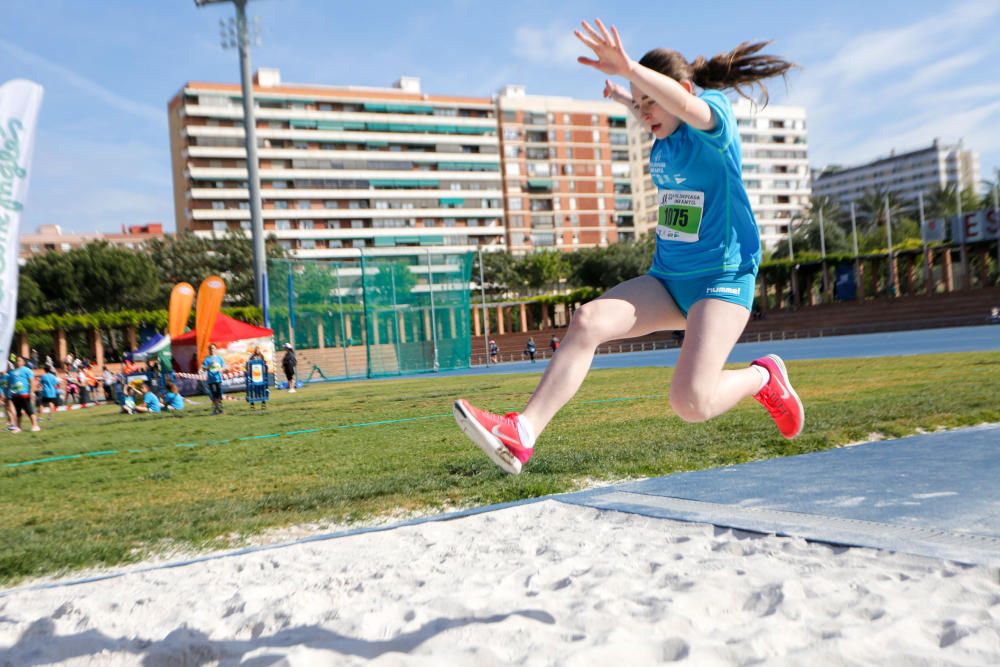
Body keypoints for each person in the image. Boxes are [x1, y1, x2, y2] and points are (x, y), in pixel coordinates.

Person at [453, 19, 804, 475]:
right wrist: (626, 96)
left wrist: (630, 71)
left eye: (650, 102)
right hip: (667, 281)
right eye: (640, 107)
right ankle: (523, 433)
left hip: (720, 281)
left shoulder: (714, 118)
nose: (646, 113)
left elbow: (684, 105)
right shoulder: (663, 143)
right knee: (587, 321)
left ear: (680, 90)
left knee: (691, 401)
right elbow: (659, 109)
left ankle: (765, 376)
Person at [8, 356, 41, 433]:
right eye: (17, 360)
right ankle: (18, 427)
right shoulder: (12, 372)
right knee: (18, 412)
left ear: (23, 362)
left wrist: (31, 392)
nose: (17, 362)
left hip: (25, 394)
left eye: (19, 360)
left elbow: (32, 382)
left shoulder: (27, 370)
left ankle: (35, 426)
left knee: (29, 410)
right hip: (15, 395)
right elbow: (9, 383)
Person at [202, 343, 226, 415]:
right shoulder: (207, 359)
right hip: (211, 380)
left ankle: (220, 409)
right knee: (213, 395)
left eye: (213, 348)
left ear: (216, 349)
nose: (212, 350)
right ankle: (215, 409)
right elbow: (203, 369)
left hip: (218, 379)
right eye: (211, 348)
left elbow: (224, 367)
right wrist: (209, 366)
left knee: (219, 395)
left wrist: (221, 369)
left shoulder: (219, 358)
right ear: (209, 350)